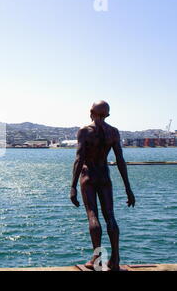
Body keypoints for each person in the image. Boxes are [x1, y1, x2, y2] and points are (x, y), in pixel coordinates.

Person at [70, 101, 136, 271]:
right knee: (110, 217)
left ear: (91, 112)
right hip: (104, 176)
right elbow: (120, 160)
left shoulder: (85, 131)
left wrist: (72, 187)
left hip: (88, 176)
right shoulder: (113, 132)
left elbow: (79, 159)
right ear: (107, 114)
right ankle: (115, 259)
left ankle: (97, 258)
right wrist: (128, 188)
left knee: (93, 216)